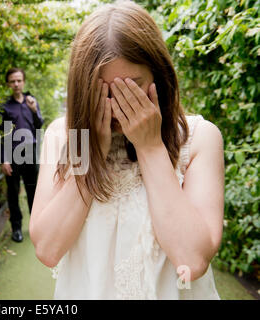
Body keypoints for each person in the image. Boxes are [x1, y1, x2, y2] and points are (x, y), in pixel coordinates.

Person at [29, 1, 224, 299]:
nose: (118, 106)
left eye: (131, 87)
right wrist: (91, 150)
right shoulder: (61, 134)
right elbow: (48, 249)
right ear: (83, 88)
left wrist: (150, 147)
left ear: (159, 77)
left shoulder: (199, 138)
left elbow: (192, 260)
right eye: (104, 92)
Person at [0, 67, 44, 243]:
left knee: (33, 191)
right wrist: (3, 159)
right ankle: (16, 228)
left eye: (19, 80)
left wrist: (33, 109)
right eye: (12, 81)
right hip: (12, 155)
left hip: (30, 152)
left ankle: (36, 226)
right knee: (13, 193)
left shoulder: (31, 101)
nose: (16, 84)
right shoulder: (3, 107)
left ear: (23, 81)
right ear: (8, 84)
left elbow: (38, 125)